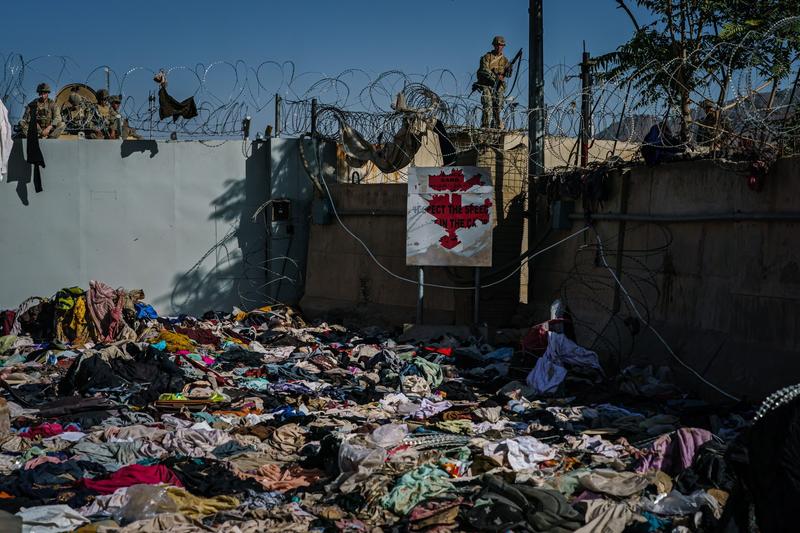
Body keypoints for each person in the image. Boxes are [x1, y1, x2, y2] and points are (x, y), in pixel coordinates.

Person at [475, 36, 511, 129]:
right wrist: (495, 77)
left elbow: (508, 75)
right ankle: (485, 127)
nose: (499, 47)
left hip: (499, 87)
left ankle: (495, 125)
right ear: (494, 45)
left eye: (501, 45)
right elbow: (484, 70)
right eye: (498, 45)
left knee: (498, 106)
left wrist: (509, 70)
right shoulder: (487, 57)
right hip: (487, 85)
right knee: (487, 105)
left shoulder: (505, 60)